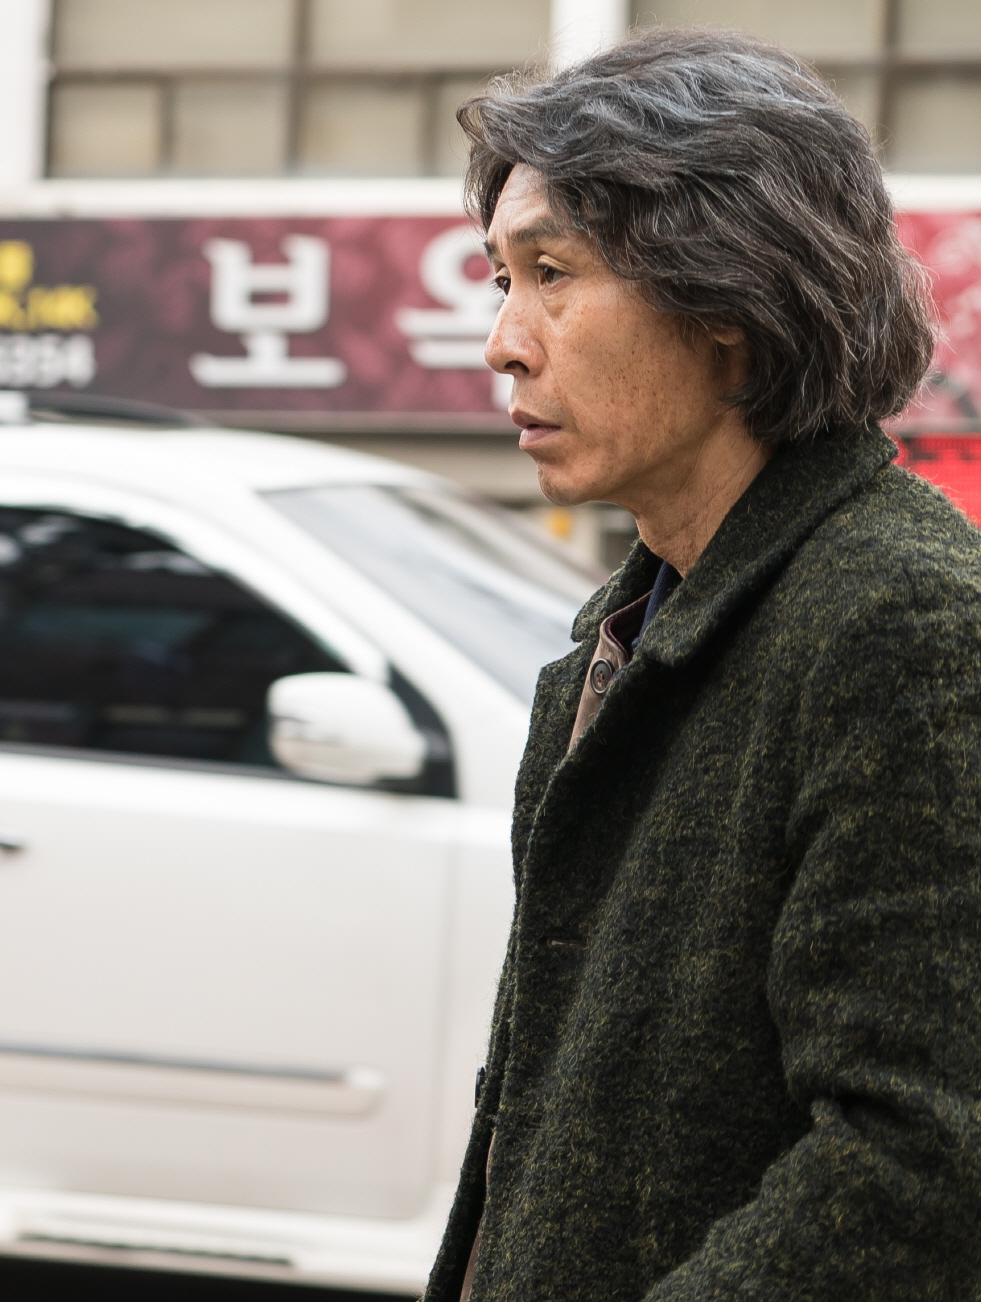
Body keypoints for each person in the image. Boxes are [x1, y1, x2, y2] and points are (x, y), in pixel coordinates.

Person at [431, 29, 981, 1302]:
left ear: (729, 307)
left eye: (551, 274)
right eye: (498, 279)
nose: (504, 343)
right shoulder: (608, 651)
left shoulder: (904, 627)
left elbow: (925, 1162)